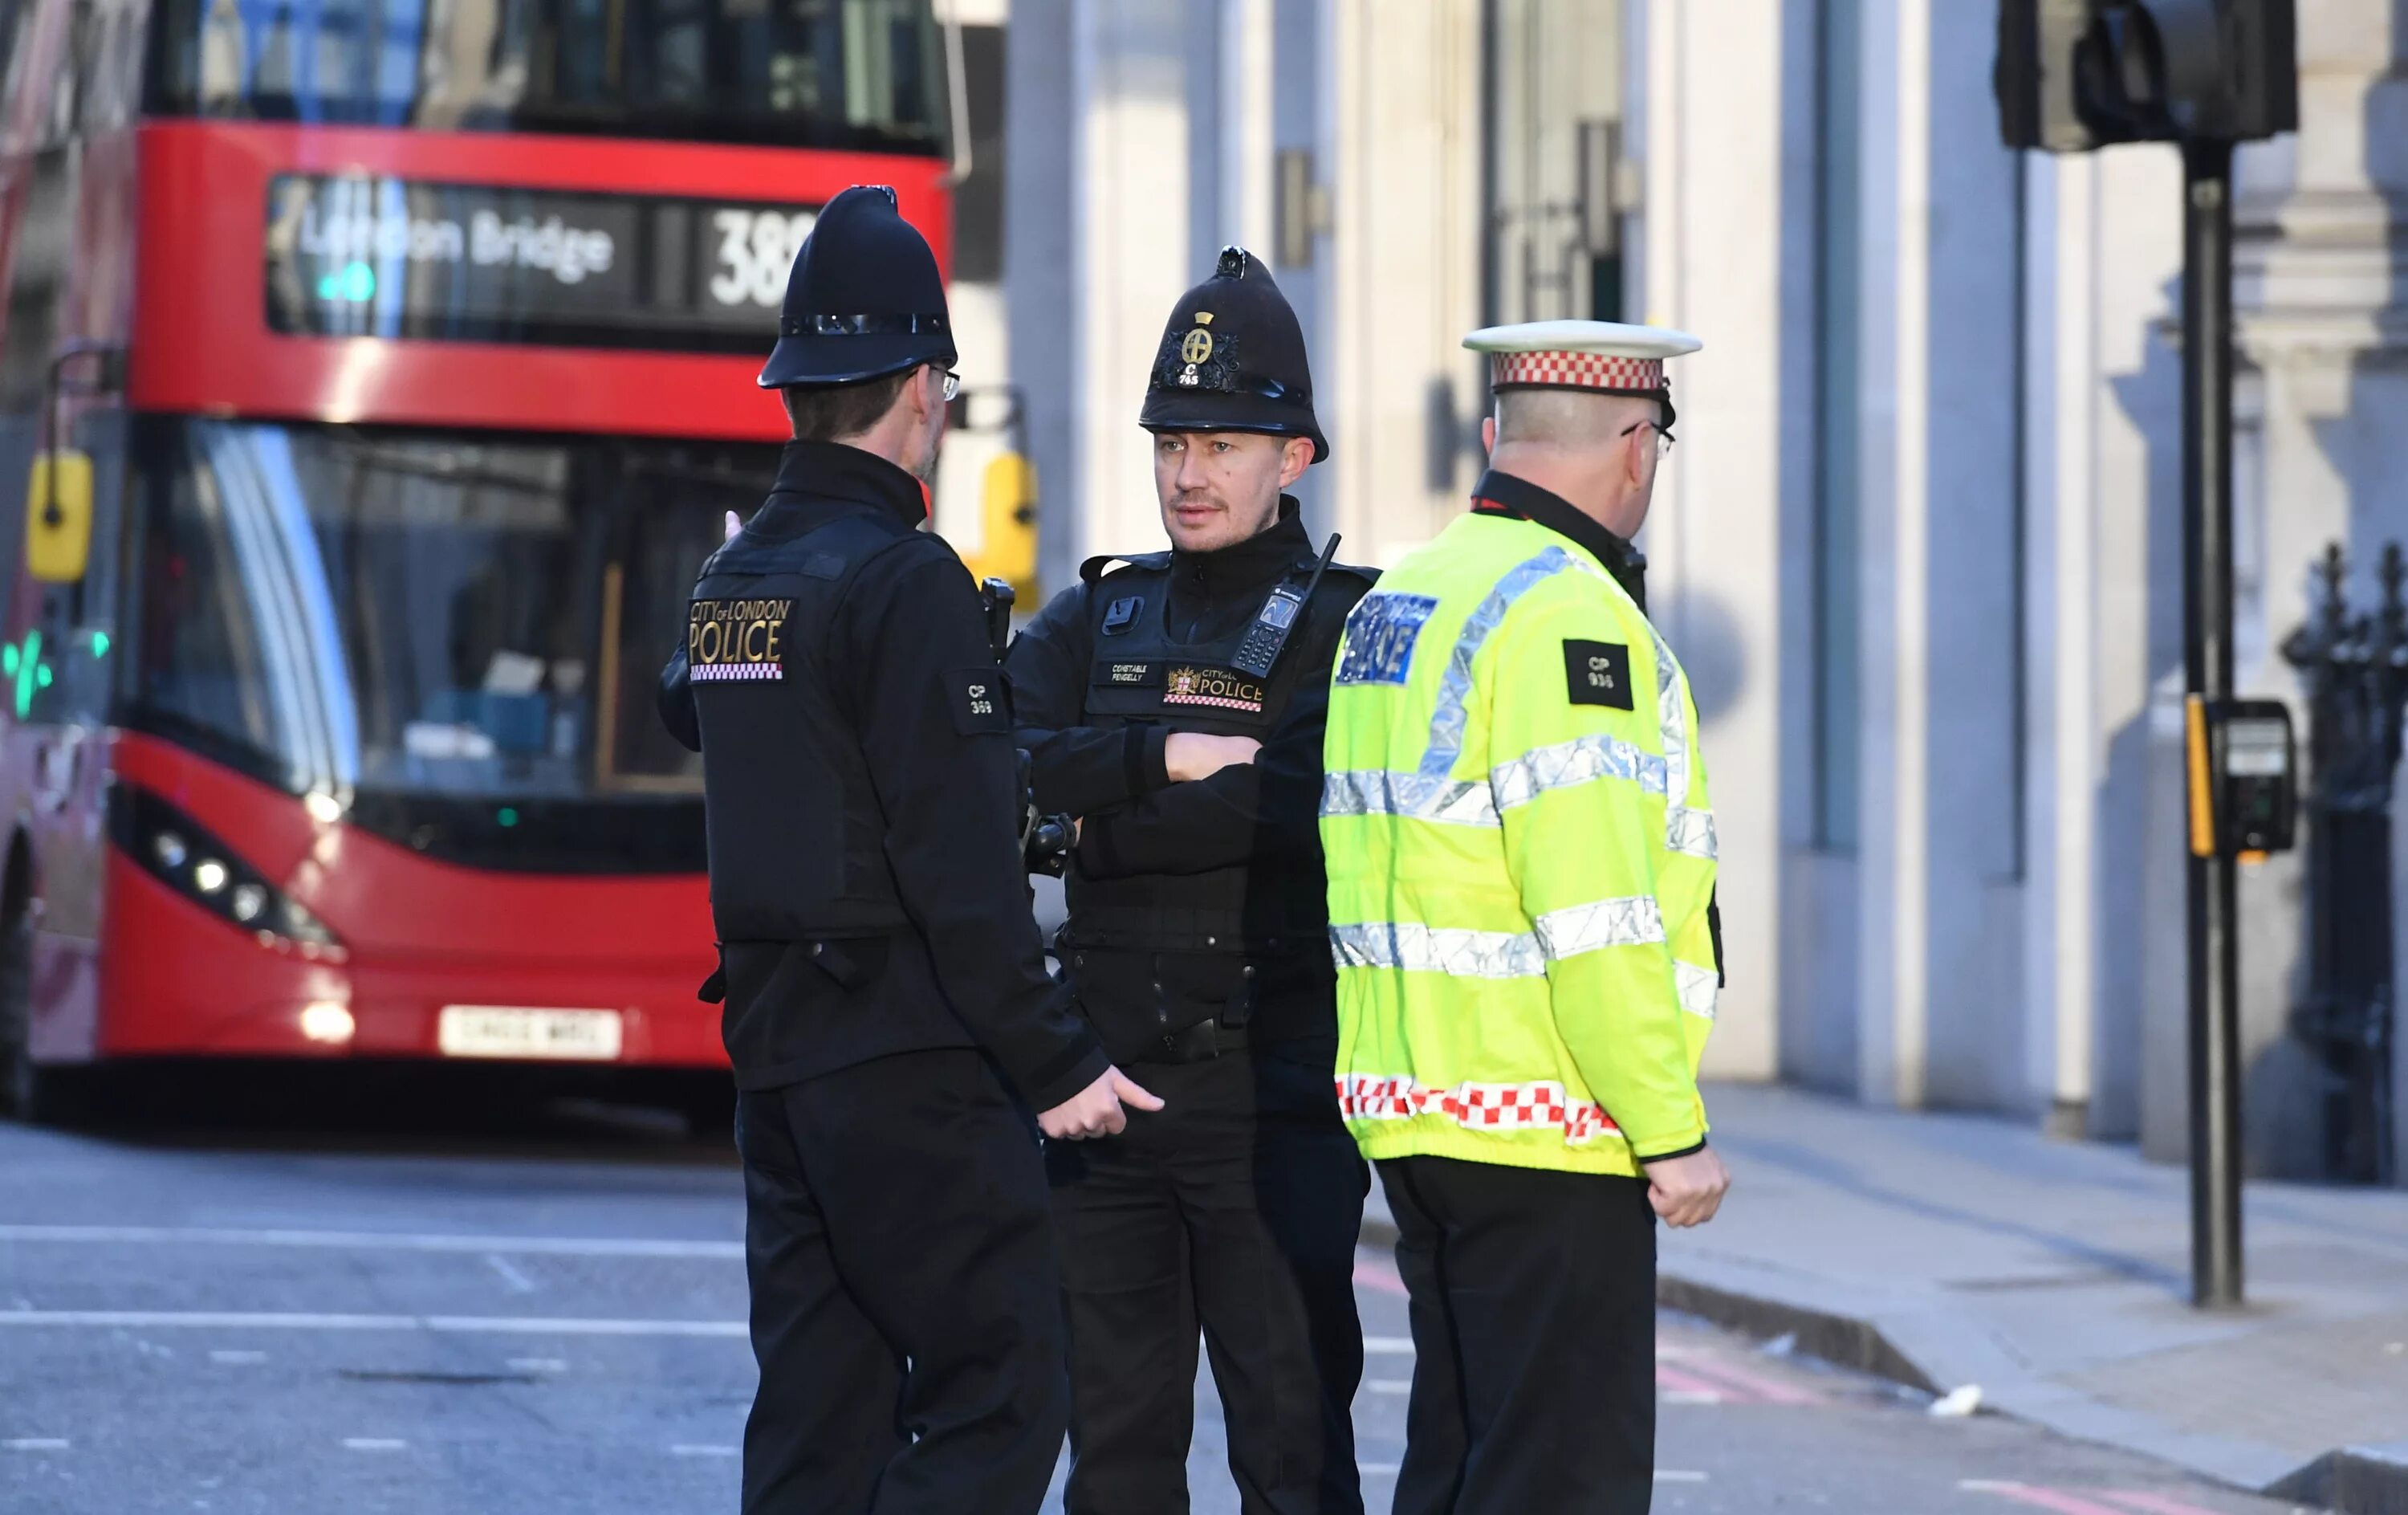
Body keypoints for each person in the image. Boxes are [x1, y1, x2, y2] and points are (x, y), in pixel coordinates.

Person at [657, 184, 1161, 1515]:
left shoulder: (736, 575)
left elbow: (685, 698)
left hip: (778, 1056)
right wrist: (1057, 1060)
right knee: (1002, 1387)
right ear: (926, 385)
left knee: (820, 1414)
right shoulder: (903, 581)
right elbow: (961, 866)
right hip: (911, 1060)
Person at [1320, 320, 1733, 1514]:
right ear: (1637, 446)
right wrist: (1669, 1128)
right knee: (1560, 1480)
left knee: (1458, 1468)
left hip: (1415, 1114)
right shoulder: (1573, 616)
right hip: (1549, 1121)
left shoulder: (1402, 599)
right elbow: (1595, 913)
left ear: (1498, 436)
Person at [1004, 246, 1375, 1515]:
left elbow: (1302, 810)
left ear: (1296, 458)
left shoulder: (1349, 626)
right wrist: (1163, 757)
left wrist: (1095, 819)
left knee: (1290, 1454)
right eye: (1171, 440)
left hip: (1269, 1093)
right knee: (1112, 1460)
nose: (1187, 473)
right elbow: (997, 764)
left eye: (1222, 444)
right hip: (1104, 1092)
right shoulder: (1098, 615)